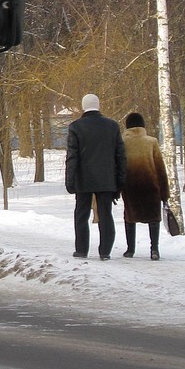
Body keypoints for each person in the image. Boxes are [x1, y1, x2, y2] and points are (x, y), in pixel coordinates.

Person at [65, 93, 126, 260]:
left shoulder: (76, 127)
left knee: (81, 214)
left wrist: (70, 180)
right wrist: (120, 181)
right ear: (98, 105)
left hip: (83, 178)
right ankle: (105, 251)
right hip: (107, 178)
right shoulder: (112, 126)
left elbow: (72, 157)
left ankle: (81, 249)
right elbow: (120, 155)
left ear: (84, 106)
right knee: (106, 214)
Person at [120, 112, 169, 260]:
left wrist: (116, 189)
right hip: (150, 186)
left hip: (130, 187)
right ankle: (154, 250)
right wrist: (165, 193)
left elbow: (119, 166)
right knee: (153, 218)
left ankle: (130, 250)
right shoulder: (151, 142)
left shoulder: (122, 142)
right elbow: (160, 168)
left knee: (129, 217)